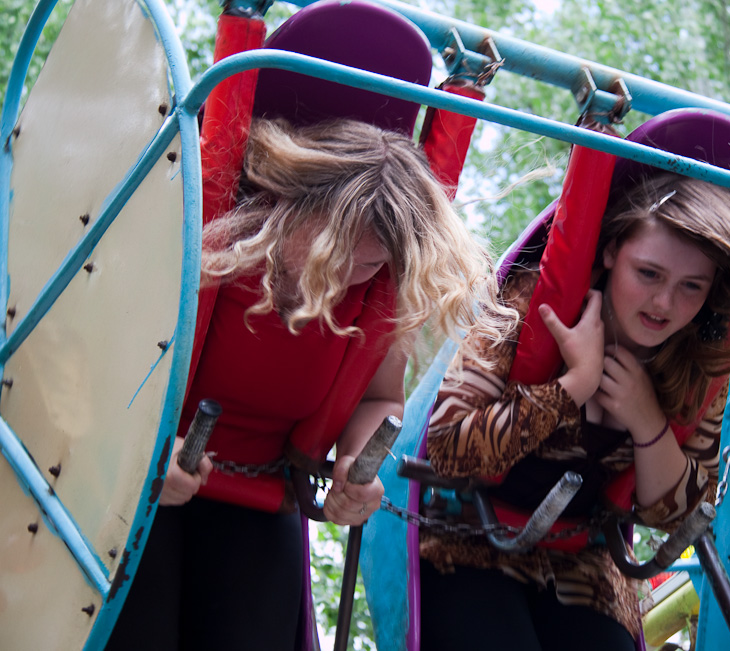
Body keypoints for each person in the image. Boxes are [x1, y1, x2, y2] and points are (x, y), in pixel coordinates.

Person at [106, 3, 514, 650]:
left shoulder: (377, 291)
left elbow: (380, 398)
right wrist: (133, 452)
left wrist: (356, 464)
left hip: (258, 495)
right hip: (127, 484)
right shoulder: (190, 232)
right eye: (335, 251)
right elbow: (88, 361)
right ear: (284, 206)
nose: (348, 276)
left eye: (370, 263)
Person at [419, 109, 730, 651]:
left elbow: (679, 516)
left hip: (582, 563)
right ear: (612, 249)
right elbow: (447, 449)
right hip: (465, 535)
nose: (664, 304)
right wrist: (573, 387)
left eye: (692, 286)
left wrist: (646, 419)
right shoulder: (532, 301)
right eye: (649, 274)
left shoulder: (699, 358)